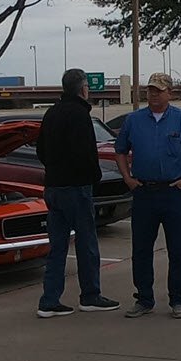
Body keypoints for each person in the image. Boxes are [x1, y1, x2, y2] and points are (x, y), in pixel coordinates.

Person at [114, 73, 181, 319]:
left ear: (170, 93)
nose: (154, 94)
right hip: (144, 193)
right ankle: (144, 299)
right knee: (141, 250)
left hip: (174, 194)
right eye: (150, 90)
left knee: (178, 250)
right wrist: (128, 178)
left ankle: (178, 299)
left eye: (159, 90)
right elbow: (120, 151)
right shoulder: (134, 121)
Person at [35, 69, 119, 318]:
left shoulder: (52, 113)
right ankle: (90, 295)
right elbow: (86, 153)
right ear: (83, 89)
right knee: (87, 242)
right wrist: (94, 176)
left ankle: (49, 300)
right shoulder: (80, 115)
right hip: (76, 187)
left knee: (57, 246)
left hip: (53, 186)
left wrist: (54, 169)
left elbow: (40, 149)